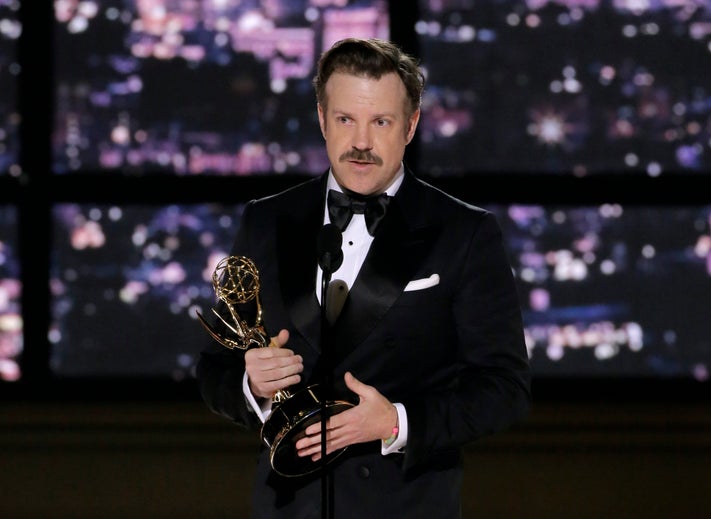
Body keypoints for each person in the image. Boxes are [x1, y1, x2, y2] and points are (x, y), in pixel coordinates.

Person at [195, 37, 531, 519]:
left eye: (381, 122)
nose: (360, 143)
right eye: (346, 119)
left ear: (411, 126)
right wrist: (252, 385)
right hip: (290, 505)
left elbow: (505, 388)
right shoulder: (267, 221)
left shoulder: (464, 232)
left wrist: (397, 422)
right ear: (321, 119)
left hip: (404, 504)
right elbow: (213, 371)